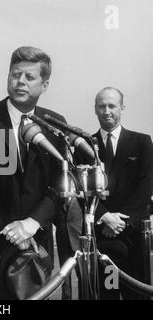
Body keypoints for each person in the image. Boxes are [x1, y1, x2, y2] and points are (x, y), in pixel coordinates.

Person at [0, 46, 66, 299]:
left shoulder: (55, 123)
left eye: (30, 77)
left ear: (44, 85)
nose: (20, 82)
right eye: (15, 75)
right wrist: (10, 228)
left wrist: (32, 223)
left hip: (37, 242)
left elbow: (62, 182)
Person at [92, 87, 153, 299]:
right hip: (104, 240)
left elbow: (145, 187)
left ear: (122, 108)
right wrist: (105, 216)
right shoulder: (85, 145)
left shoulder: (142, 142)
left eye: (112, 105)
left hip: (134, 237)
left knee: (137, 294)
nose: (106, 111)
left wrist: (120, 222)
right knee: (108, 292)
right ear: (95, 109)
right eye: (101, 106)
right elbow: (83, 190)